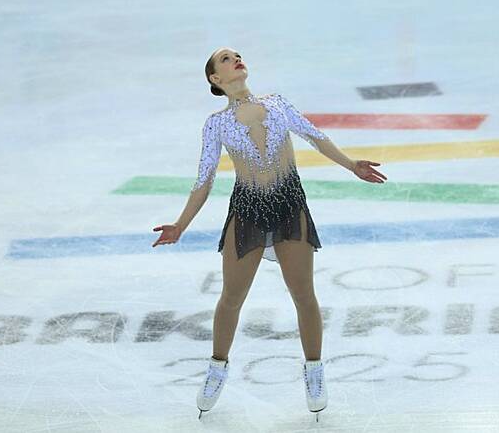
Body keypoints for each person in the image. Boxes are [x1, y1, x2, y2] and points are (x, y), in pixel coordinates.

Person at [152, 47, 388, 420]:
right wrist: (181, 224)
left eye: (237, 56)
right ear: (215, 79)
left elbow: (315, 136)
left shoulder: (276, 103)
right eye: (226, 59)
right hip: (247, 212)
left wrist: (351, 165)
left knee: (303, 294)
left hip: (288, 206)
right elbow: (204, 180)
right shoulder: (216, 124)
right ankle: (217, 367)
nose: (236, 60)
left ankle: (314, 370)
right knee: (231, 297)